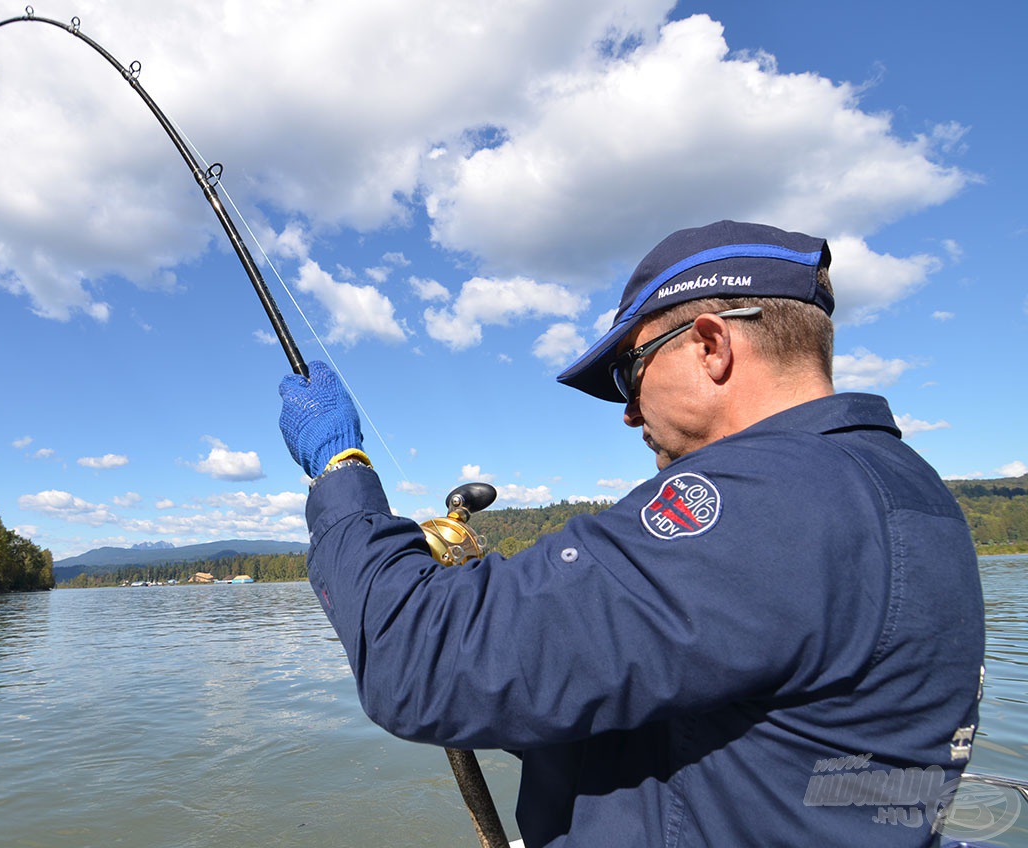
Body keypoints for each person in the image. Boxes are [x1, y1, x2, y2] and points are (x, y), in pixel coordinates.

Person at [277, 221, 984, 847]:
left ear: (710, 345)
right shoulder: (907, 492)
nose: (626, 411)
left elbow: (423, 656)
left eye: (629, 371)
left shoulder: (770, 500)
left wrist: (341, 471)